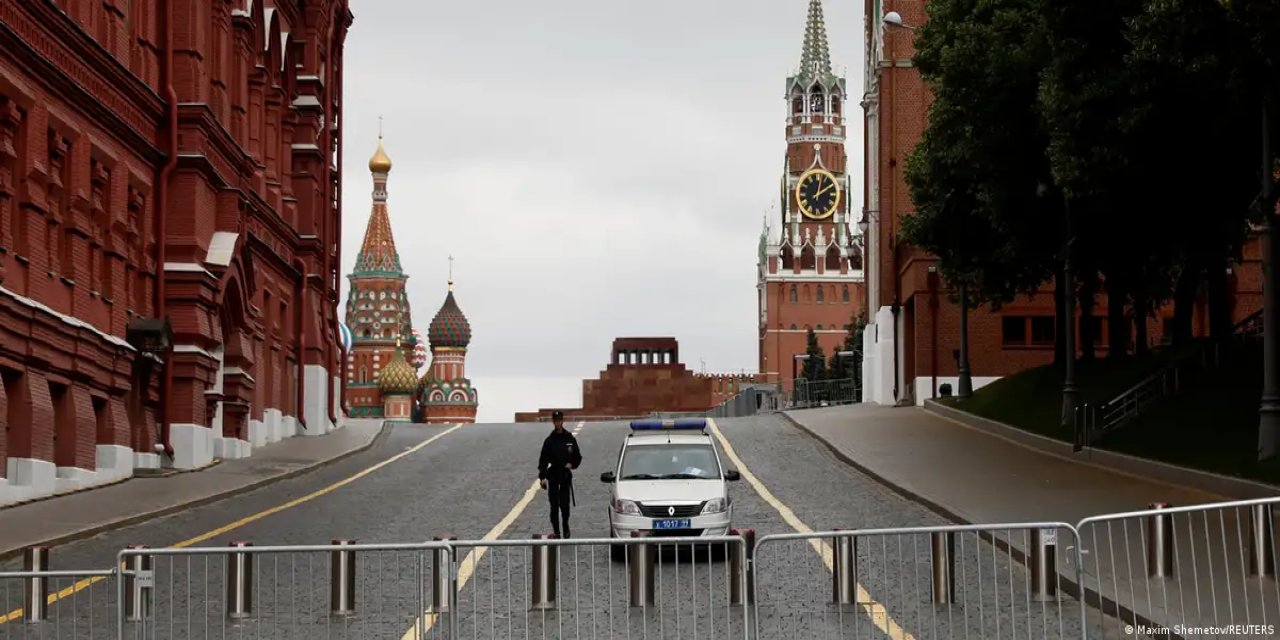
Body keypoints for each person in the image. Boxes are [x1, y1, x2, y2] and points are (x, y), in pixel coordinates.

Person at [537, 410, 582, 538]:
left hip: (565, 477)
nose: (558, 422)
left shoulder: (569, 438)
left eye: (559, 420)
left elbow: (577, 456)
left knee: (565, 506)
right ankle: (556, 531)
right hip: (553, 477)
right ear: (553, 422)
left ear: (562, 421)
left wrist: (572, 465)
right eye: (555, 420)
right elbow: (543, 461)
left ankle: (565, 526)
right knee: (554, 507)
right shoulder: (549, 441)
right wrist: (542, 477)